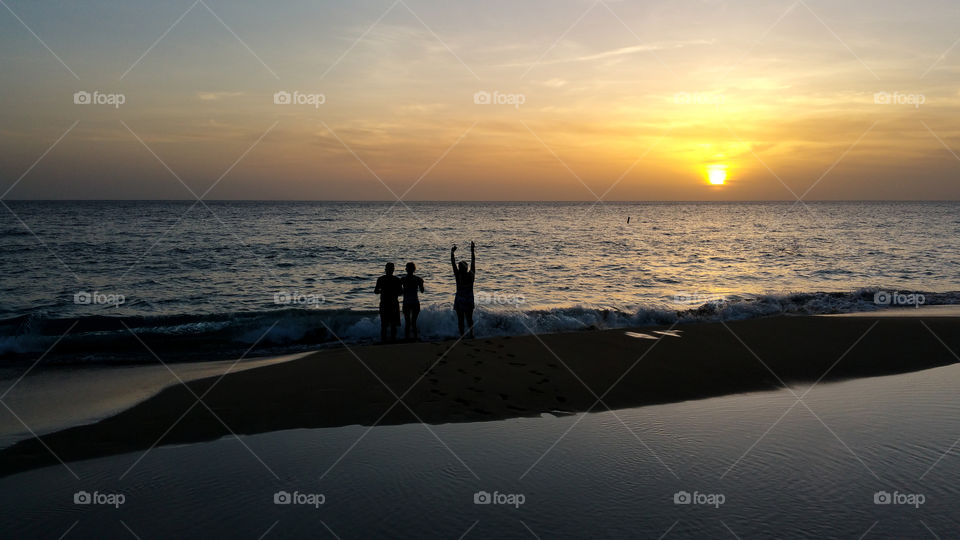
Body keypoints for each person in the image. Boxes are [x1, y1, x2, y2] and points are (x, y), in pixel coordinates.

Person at [451, 241, 475, 338]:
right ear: (467, 268)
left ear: (459, 268)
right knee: (469, 319)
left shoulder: (458, 275)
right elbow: (473, 261)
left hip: (460, 299)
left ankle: (462, 335)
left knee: (460, 319)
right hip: (469, 299)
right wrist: (472, 250)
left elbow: (452, 263)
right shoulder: (471, 275)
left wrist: (452, 253)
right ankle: (471, 335)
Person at [374, 262, 402, 342]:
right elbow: (401, 292)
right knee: (393, 325)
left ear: (385, 270)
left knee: (384, 325)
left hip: (384, 304)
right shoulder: (397, 280)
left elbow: (375, 291)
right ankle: (393, 340)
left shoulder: (380, 279)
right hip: (394, 304)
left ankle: (384, 340)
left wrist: (382, 291)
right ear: (393, 270)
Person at [400, 262, 424, 340]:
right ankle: (415, 338)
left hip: (406, 302)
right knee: (413, 322)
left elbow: (400, 292)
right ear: (414, 270)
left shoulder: (403, 279)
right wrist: (421, 283)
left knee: (408, 322)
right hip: (415, 302)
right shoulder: (418, 279)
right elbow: (422, 291)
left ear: (406, 269)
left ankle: (407, 338)